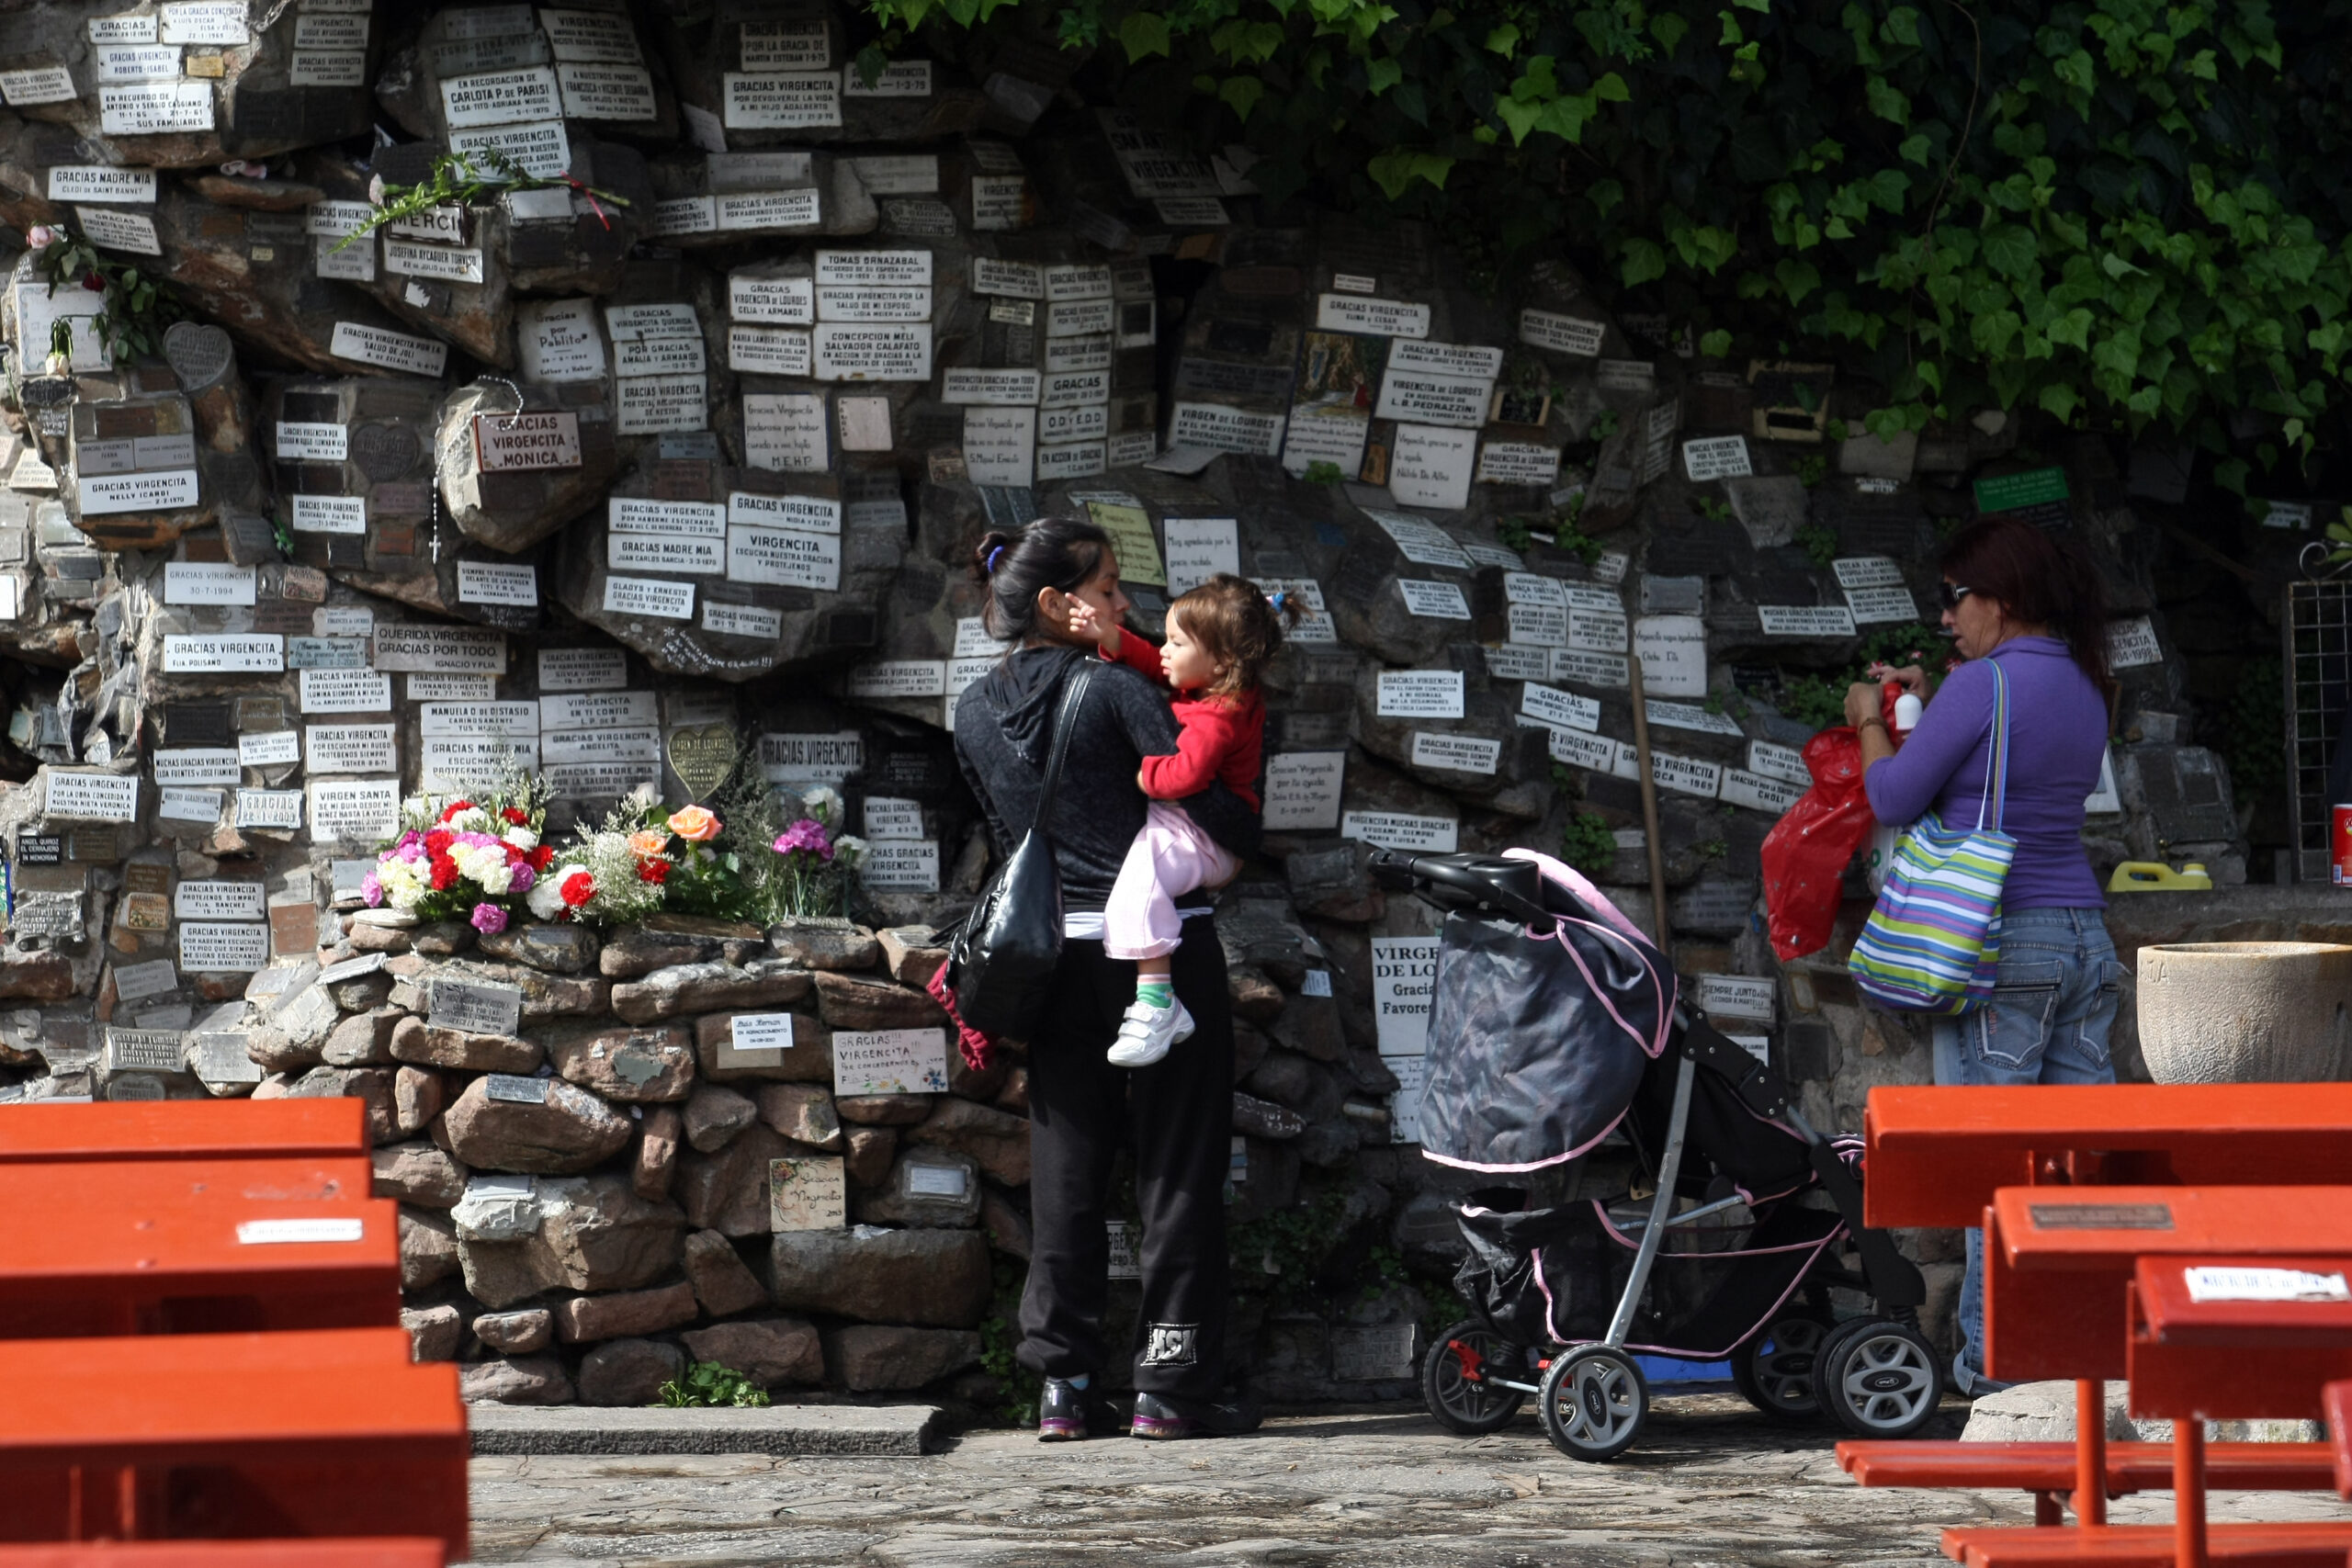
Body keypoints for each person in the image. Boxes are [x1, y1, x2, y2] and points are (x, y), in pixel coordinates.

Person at [951, 517, 1263, 1443]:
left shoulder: (972, 710)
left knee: (1067, 1172)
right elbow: (1217, 818)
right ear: (1057, 603)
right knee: (1177, 1168)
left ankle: (1065, 1385)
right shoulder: (1119, 691)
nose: (1125, 606)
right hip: (1160, 957)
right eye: (1109, 588)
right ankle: (1170, 1385)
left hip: (1052, 960)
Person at [1843, 513, 2120, 1398]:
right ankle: (2080, 1361)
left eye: (1955, 597)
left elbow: (1894, 793)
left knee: (1993, 1169)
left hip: (1999, 942)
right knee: (2072, 1170)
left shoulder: (1982, 685)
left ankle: (1997, 1376)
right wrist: (1936, 702)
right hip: (2083, 937)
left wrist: (1869, 722)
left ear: (2002, 598)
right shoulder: (2086, 680)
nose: (1946, 616)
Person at [1092, 575, 1297, 1067]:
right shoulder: (1219, 687)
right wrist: (1115, 640)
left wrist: (1142, 774)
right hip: (1201, 832)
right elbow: (1156, 665)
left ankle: (1157, 1003)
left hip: (1199, 835)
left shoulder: (1216, 717)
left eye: (1176, 642)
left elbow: (1184, 776)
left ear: (1220, 661)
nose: (1164, 650)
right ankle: (1162, 1003)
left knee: (1136, 892)